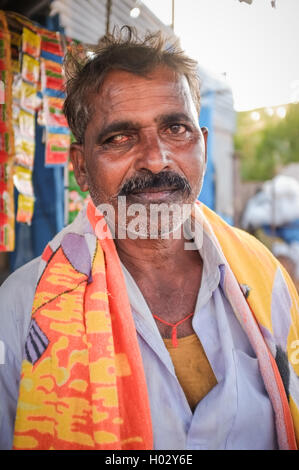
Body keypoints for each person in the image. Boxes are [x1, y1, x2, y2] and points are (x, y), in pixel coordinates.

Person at [0, 27, 299, 451]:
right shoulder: (23, 308)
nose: (156, 158)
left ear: (204, 147)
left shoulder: (264, 276)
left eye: (176, 129)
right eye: (119, 137)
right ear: (81, 167)